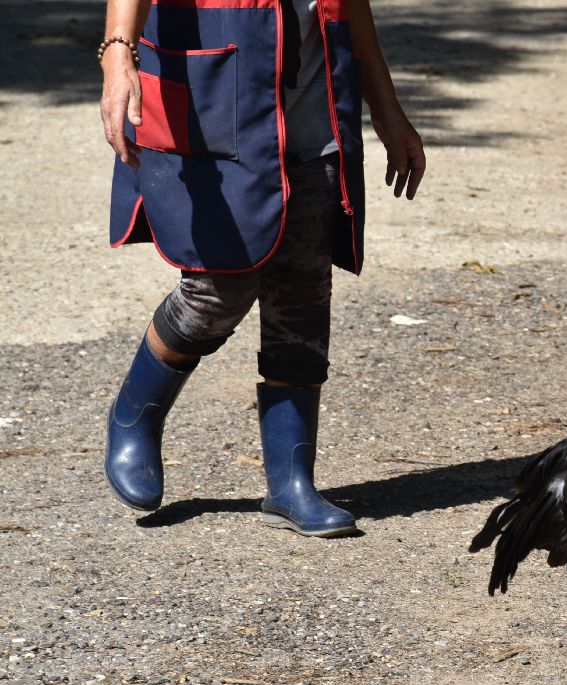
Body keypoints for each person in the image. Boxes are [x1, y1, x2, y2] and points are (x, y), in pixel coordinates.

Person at [98, 0, 425, 536]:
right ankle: (137, 416)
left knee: (303, 294)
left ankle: (290, 485)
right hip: (213, 97)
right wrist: (118, 57)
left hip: (315, 113)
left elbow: (351, 6)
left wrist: (385, 106)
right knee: (215, 291)